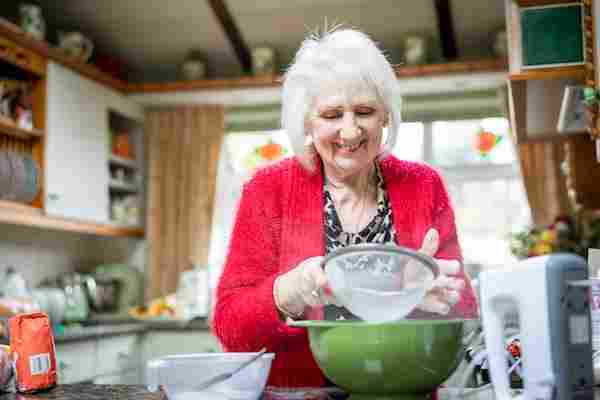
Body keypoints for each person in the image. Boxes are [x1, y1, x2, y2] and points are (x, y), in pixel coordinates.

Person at [212, 26, 478, 388]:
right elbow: (230, 328)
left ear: (386, 115)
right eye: (332, 115)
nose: (350, 132)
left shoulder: (423, 185)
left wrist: (425, 298)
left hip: (402, 393)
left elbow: (465, 312)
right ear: (307, 121)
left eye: (364, 111)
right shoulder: (268, 190)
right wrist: (289, 290)